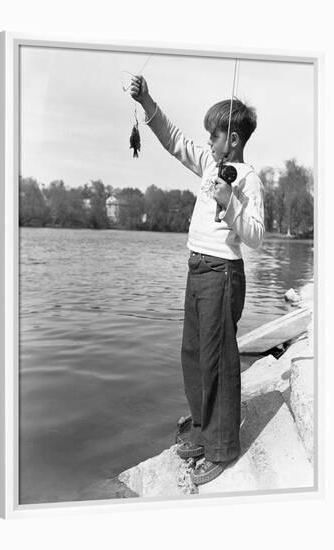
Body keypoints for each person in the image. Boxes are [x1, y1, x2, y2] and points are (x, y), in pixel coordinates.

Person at [130, 75, 265, 485]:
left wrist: (231, 204)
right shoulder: (209, 164)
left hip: (223, 274)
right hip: (197, 268)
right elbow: (174, 140)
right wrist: (147, 99)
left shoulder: (249, 179)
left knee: (218, 361)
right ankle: (205, 431)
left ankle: (222, 447)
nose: (207, 141)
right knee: (193, 354)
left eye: (214, 134)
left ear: (234, 139)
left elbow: (257, 236)